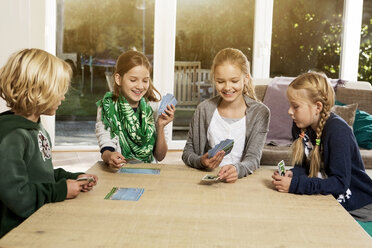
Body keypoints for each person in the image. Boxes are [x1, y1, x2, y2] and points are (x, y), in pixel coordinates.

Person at [0, 48, 98, 238]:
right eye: (59, 91)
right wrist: (60, 190)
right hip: (15, 235)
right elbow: (18, 197)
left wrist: (70, 177)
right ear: (37, 91)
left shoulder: (37, 129)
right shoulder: (12, 137)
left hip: (36, 224)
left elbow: (37, 174)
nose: (63, 97)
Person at [272, 71, 372, 236]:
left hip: (358, 206)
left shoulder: (338, 132)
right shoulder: (300, 126)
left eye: (295, 106)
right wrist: (293, 174)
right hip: (330, 199)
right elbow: (305, 166)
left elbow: (340, 183)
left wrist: (296, 185)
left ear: (317, 107)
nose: (290, 111)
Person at [182, 48, 270, 183]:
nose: (227, 87)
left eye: (234, 81)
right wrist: (201, 161)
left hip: (242, 181)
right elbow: (187, 153)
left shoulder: (260, 113)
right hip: (207, 182)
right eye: (220, 81)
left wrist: (237, 169)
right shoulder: (204, 109)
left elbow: (253, 159)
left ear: (245, 79)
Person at [96, 50, 175, 168]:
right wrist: (110, 155)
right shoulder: (108, 107)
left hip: (148, 173)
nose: (140, 86)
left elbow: (160, 156)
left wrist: (160, 126)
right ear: (118, 79)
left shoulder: (153, 107)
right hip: (120, 171)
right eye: (133, 80)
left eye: (145, 80)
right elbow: (106, 145)